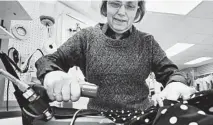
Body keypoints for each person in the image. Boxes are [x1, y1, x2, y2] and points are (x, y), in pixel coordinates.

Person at [35, 0, 196, 112]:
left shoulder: (148, 43)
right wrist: (52, 73)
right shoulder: (86, 38)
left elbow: (173, 73)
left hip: (140, 118)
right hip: (97, 120)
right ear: (105, 6)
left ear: (137, 10)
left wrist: (175, 84)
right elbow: (48, 60)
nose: (122, 12)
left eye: (130, 5)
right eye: (115, 3)